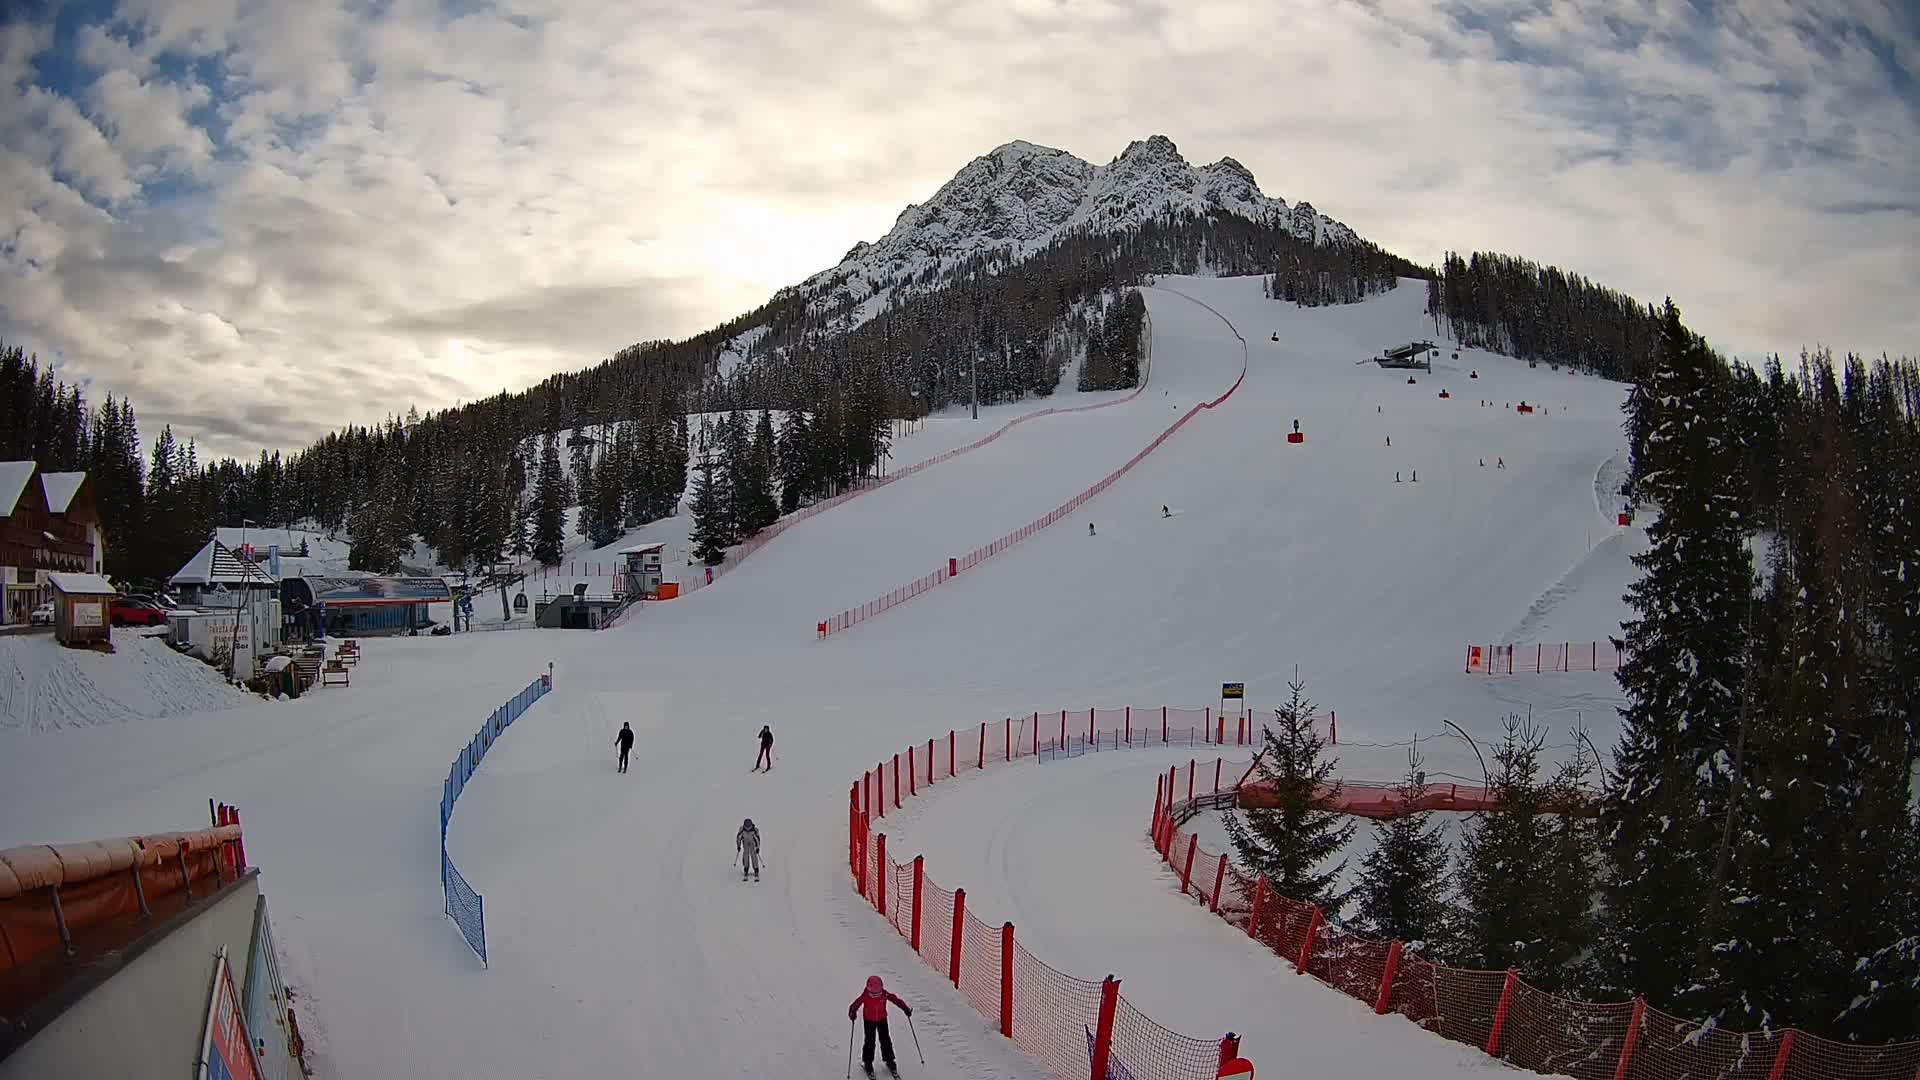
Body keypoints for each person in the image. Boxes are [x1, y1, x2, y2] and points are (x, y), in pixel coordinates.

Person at [848, 975, 911, 1076]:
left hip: (882, 1019)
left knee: (885, 1040)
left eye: (878, 994)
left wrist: (905, 1008)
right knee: (870, 1041)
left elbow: (895, 1000)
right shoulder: (865, 996)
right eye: (874, 995)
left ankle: (889, 1060)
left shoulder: (884, 994)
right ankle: (868, 1062)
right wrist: (852, 1012)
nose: (876, 996)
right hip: (869, 1021)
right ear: (869, 991)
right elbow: (855, 1004)